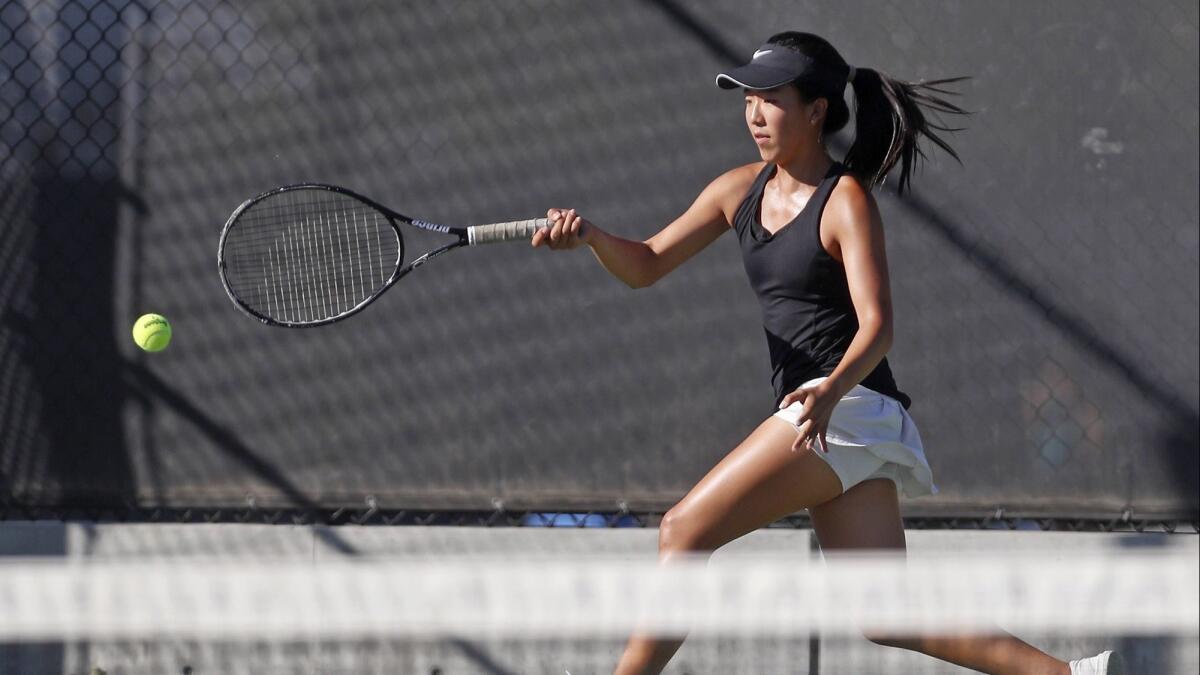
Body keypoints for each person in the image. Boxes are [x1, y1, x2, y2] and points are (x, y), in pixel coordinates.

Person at [532, 31, 1122, 675]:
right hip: (833, 414)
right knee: (886, 615)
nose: (755, 113)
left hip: (845, 407)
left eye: (772, 99)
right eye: (749, 99)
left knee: (682, 531)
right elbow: (644, 264)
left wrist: (830, 389)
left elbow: (878, 326)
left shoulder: (846, 202)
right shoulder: (737, 191)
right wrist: (590, 237)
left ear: (816, 111)